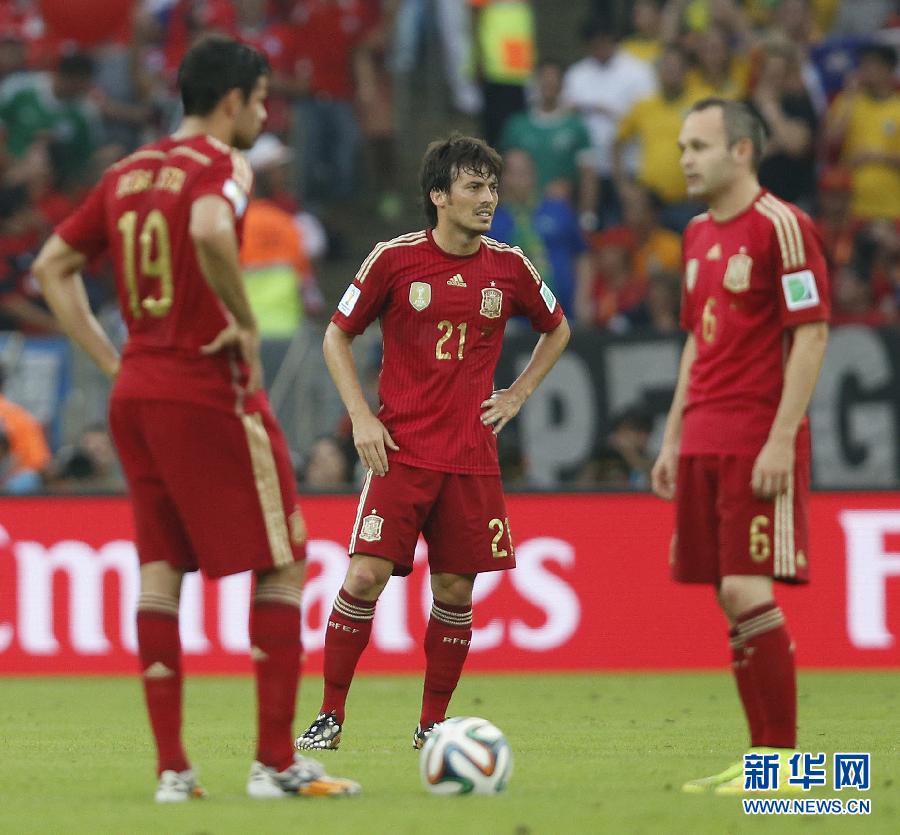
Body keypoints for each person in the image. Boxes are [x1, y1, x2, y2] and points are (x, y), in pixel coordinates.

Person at [32, 36, 359, 803]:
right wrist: (243, 321)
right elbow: (213, 229)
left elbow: (51, 265)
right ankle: (276, 761)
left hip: (137, 389)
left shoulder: (123, 173)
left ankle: (173, 771)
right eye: (262, 98)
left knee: (160, 568)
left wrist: (113, 357)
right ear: (231, 100)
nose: (266, 111)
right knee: (284, 556)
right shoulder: (221, 165)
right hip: (208, 385)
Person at [296, 133, 569, 752]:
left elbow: (558, 328)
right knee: (364, 577)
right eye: (474, 187)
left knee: (453, 590)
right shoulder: (393, 260)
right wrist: (362, 419)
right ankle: (330, 715)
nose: (488, 199)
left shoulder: (511, 265)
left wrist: (519, 394)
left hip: (472, 457)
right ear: (438, 196)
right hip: (400, 451)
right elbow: (336, 336)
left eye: (493, 187)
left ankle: (431, 726)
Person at [651, 98, 830, 795]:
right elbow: (699, 339)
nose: (686, 158)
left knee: (743, 586)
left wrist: (784, 437)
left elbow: (811, 332)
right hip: (702, 434)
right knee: (728, 598)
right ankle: (760, 761)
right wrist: (671, 437)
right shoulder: (695, 233)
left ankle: (785, 766)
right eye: (682, 145)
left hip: (758, 433)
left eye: (698, 145)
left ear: (742, 152)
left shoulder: (784, 227)